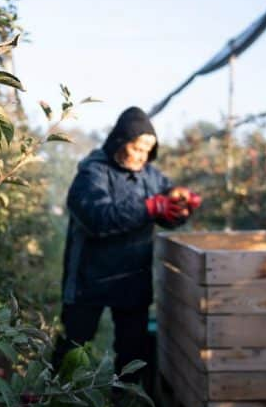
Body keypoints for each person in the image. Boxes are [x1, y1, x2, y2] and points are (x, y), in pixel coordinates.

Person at [54, 106, 197, 390]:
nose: (142, 156)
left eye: (148, 150)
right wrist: (151, 207)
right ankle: (56, 404)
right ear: (120, 142)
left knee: (133, 352)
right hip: (89, 278)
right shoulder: (92, 173)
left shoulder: (151, 176)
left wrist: (180, 207)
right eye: (137, 148)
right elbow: (98, 217)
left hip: (132, 278)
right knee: (74, 346)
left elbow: (167, 199)